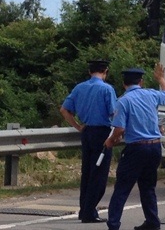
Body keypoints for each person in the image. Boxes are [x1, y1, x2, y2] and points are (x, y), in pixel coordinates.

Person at [104, 63, 165, 230]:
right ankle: (153, 222)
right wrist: (161, 79)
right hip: (155, 146)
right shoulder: (151, 95)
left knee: (122, 187)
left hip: (137, 149)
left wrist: (111, 141)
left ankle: (113, 224)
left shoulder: (123, 101)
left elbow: (119, 128)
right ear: (141, 82)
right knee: (148, 187)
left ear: (124, 84)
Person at [59, 59, 117, 224]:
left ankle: (84, 208)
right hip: (102, 133)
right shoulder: (107, 89)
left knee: (87, 172)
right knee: (99, 174)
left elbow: (64, 109)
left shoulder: (79, 88)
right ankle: (89, 212)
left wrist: (78, 126)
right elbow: (114, 113)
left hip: (87, 132)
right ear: (105, 71)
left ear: (89, 72)